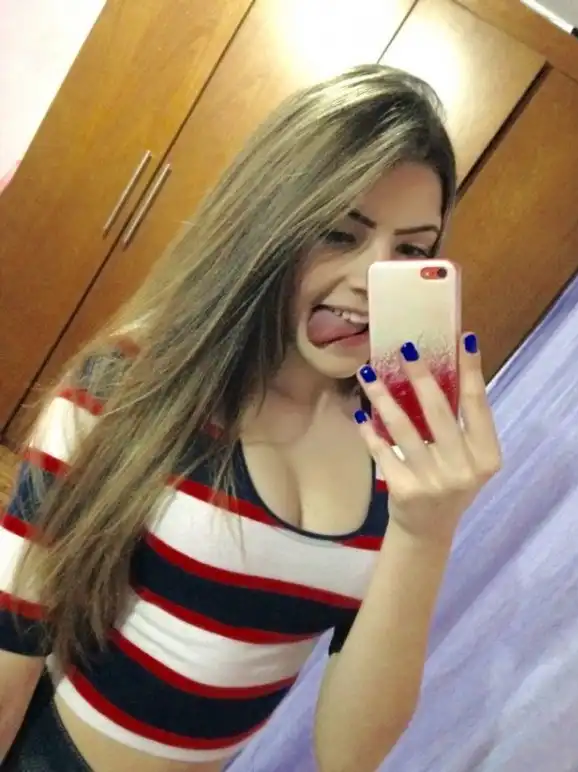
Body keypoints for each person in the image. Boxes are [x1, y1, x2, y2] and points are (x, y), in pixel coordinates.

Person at [0, 64, 502, 772]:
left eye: (411, 250)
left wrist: (428, 532)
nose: (372, 277)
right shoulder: (130, 384)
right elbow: (11, 645)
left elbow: (348, 755)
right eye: (338, 233)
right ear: (270, 226)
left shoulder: (401, 453)